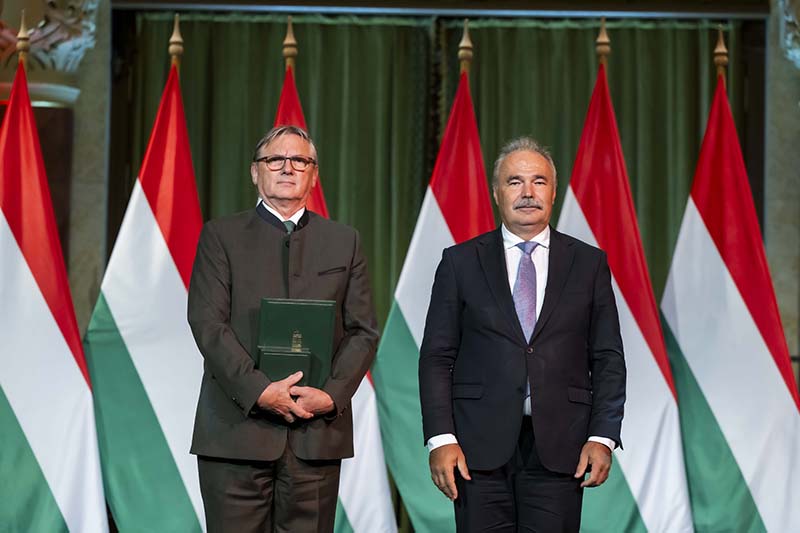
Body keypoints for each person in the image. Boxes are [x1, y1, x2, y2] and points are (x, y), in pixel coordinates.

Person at [419, 137, 626, 532]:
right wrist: (441, 438)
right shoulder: (460, 262)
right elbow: (437, 357)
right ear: (497, 193)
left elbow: (608, 358)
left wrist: (603, 436)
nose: (528, 192)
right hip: (475, 450)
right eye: (515, 182)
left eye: (539, 182)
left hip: (561, 449)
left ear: (554, 193)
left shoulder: (589, 264)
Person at [188, 125, 379, 533]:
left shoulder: (344, 241)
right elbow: (208, 324)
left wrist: (331, 395)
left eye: (300, 161)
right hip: (235, 435)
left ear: (314, 175)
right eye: (275, 159)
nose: (288, 168)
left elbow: (363, 331)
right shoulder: (221, 236)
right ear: (255, 171)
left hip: (315, 435)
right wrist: (259, 390)